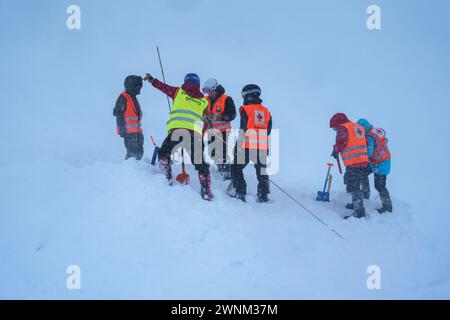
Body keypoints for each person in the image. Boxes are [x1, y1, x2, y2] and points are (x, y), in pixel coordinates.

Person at [143, 72, 212, 200]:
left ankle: (167, 179)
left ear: (185, 82)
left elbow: (163, 87)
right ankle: (206, 189)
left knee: (164, 153)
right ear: (198, 84)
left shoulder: (178, 92)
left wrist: (152, 80)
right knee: (201, 163)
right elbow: (208, 120)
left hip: (177, 131)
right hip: (194, 135)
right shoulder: (204, 101)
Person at [227, 84, 272, 203]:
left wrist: (237, 145)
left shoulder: (247, 110)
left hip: (247, 146)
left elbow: (243, 128)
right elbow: (268, 130)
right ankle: (263, 196)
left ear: (248, 95)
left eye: (243, 95)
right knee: (262, 171)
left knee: (236, 167)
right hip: (262, 147)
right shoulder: (266, 112)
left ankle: (240, 191)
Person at [330, 113, 369, 219]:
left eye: (334, 128)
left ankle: (359, 211)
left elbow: (341, 142)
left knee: (353, 185)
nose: (335, 130)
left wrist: (336, 150)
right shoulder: (357, 127)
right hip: (362, 161)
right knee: (353, 182)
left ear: (338, 123)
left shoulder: (343, 127)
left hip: (354, 161)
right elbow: (364, 142)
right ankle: (355, 204)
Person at [202, 78, 237, 180]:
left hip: (223, 131)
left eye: (210, 91)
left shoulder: (226, 99)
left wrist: (219, 117)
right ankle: (221, 167)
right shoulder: (205, 100)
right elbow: (199, 111)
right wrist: (202, 116)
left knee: (222, 152)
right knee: (213, 152)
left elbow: (232, 114)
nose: (208, 94)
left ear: (215, 89)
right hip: (211, 131)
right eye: (206, 92)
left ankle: (227, 172)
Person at [357, 119, 393, 213]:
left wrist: (360, 155)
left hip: (381, 163)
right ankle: (365, 194)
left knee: (379, 186)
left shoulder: (369, 137)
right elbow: (385, 140)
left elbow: (369, 152)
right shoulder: (375, 131)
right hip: (379, 161)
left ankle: (387, 207)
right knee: (362, 172)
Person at [113, 75, 144, 160]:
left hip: (137, 132)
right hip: (129, 133)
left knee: (139, 153)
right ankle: (128, 170)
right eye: (138, 86)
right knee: (132, 155)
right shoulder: (123, 98)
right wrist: (123, 130)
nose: (140, 89)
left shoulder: (133, 98)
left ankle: (137, 170)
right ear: (132, 86)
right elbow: (118, 114)